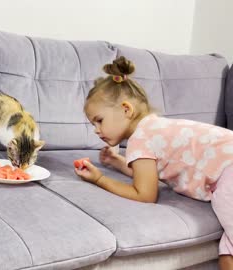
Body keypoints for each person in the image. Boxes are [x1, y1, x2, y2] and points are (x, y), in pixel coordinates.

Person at [74, 56, 233, 269]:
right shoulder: (154, 127)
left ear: (126, 109)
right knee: (227, 247)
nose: (96, 129)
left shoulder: (140, 139)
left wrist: (100, 179)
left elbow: (145, 194)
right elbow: (148, 173)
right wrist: (118, 162)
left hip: (228, 172)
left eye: (99, 120)